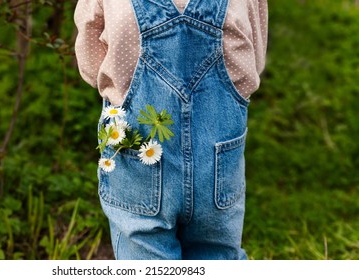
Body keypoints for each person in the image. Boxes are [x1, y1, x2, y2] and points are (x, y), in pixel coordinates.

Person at [74, 0, 268, 260]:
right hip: (217, 158)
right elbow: (255, 59)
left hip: (138, 155)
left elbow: (90, 64)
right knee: (218, 256)